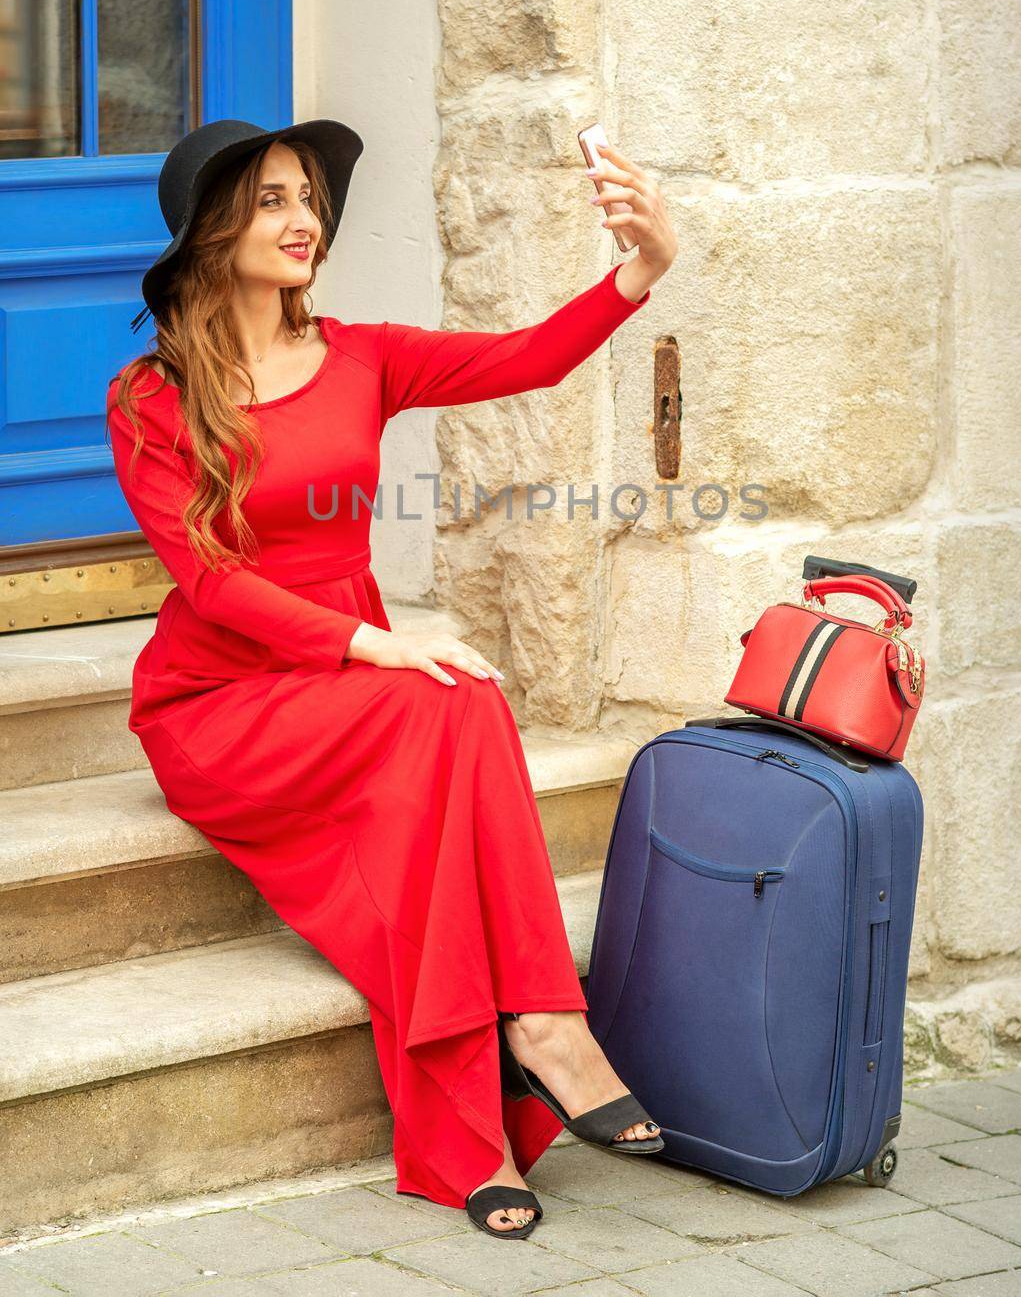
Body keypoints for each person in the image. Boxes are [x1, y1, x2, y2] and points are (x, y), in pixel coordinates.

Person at [105, 117, 678, 1239]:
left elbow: (525, 358)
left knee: (446, 724)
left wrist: (640, 269)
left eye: (309, 198)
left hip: (363, 690)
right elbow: (211, 583)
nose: (303, 219)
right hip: (222, 704)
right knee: (440, 694)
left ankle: (478, 1120)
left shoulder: (360, 356)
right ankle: (542, 1027)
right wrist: (376, 642)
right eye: (271, 199)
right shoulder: (152, 399)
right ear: (211, 232)